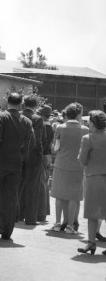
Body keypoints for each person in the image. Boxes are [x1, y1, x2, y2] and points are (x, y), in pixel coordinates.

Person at [0, 93, 33, 240]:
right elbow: (28, 144)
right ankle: (7, 232)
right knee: (10, 196)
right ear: (21, 104)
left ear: (7, 102)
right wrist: (21, 157)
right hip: (16, 161)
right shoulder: (27, 121)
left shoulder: (1, 117)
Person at [50, 103, 89, 234]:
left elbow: (55, 148)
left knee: (59, 195)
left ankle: (56, 223)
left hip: (61, 164)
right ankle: (70, 226)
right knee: (74, 196)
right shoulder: (85, 129)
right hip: (77, 165)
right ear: (78, 114)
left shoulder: (60, 127)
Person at [77, 111, 106, 255]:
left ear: (93, 123)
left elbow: (82, 160)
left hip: (94, 177)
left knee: (92, 213)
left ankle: (91, 243)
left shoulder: (88, 138)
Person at [17, 95, 45, 225]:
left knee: (18, 186)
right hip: (33, 157)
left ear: (24, 103)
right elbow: (38, 140)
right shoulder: (37, 119)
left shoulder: (17, 116)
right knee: (32, 188)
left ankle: (17, 215)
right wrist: (40, 155)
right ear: (36, 105)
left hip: (17, 155)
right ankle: (30, 218)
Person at [37, 105, 54, 221]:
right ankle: (43, 212)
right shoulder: (50, 126)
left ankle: (41, 213)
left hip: (42, 156)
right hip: (47, 156)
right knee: (44, 184)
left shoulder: (44, 126)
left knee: (41, 184)